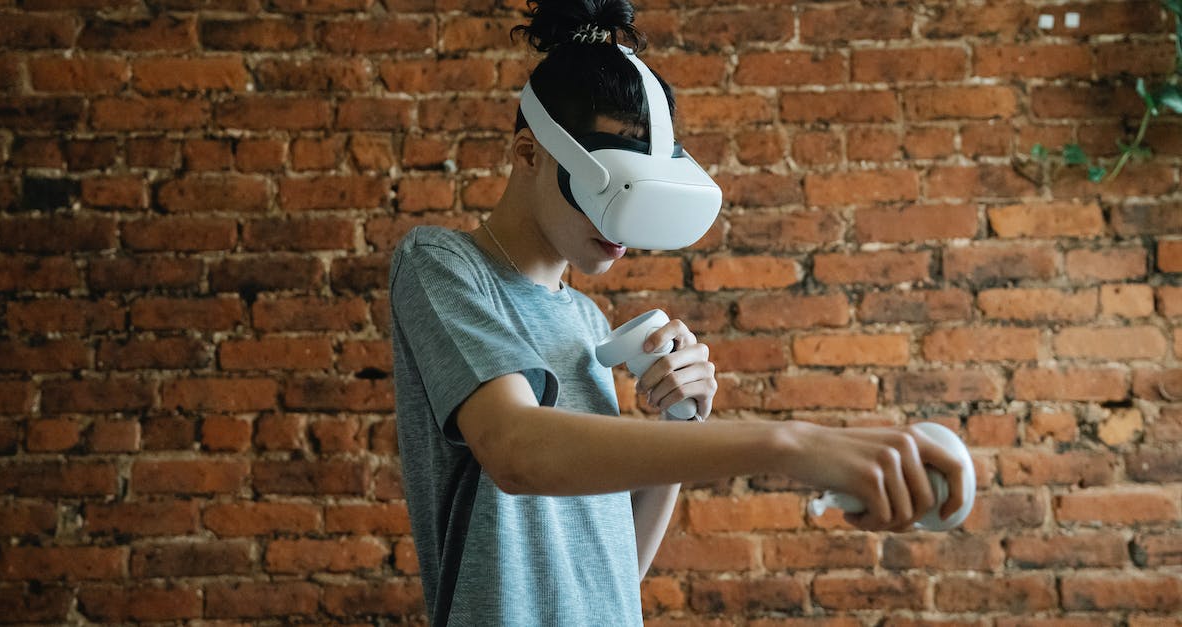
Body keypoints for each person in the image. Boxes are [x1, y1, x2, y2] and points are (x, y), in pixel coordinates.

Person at [387, 1, 970, 625]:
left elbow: (618, 571)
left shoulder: (586, 321)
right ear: (529, 155)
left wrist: (679, 423)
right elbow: (516, 451)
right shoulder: (441, 265)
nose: (621, 229)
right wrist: (789, 444)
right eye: (605, 189)